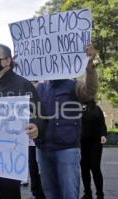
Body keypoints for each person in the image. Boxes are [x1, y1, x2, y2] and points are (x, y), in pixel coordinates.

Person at [0, 44, 46, 199]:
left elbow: (40, 114)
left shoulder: (23, 84)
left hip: (9, 160)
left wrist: (36, 126)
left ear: (7, 61)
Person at [36, 44, 98, 199]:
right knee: (50, 193)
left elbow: (90, 92)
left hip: (67, 149)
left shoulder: (74, 85)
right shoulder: (40, 88)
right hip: (43, 148)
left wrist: (90, 67)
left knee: (69, 193)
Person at [81, 100, 107, 199]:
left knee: (95, 168)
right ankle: (87, 193)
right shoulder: (76, 107)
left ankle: (100, 194)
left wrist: (103, 135)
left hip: (95, 143)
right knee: (84, 169)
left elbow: (102, 124)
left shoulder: (96, 109)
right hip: (81, 143)